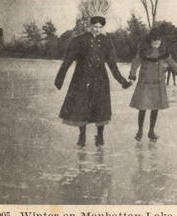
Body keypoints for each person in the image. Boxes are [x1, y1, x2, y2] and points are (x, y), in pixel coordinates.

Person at [54, 16, 132, 147]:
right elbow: (67, 61)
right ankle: (82, 135)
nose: (97, 29)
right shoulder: (79, 40)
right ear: (90, 26)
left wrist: (122, 81)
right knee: (82, 108)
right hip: (81, 79)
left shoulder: (106, 41)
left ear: (103, 28)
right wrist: (59, 79)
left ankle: (100, 135)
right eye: (95, 27)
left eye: (100, 27)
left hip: (100, 80)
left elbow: (112, 64)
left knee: (101, 109)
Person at [128, 29, 177, 142]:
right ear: (150, 41)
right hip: (145, 83)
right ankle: (140, 131)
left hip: (158, 84)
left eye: (159, 41)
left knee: (155, 109)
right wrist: (132, 75)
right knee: (142, 108)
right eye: (155, 41)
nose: (157, 43)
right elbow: (135, 63)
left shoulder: (163, 52)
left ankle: (151, 131)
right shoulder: (143, 51)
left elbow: (171, 62)